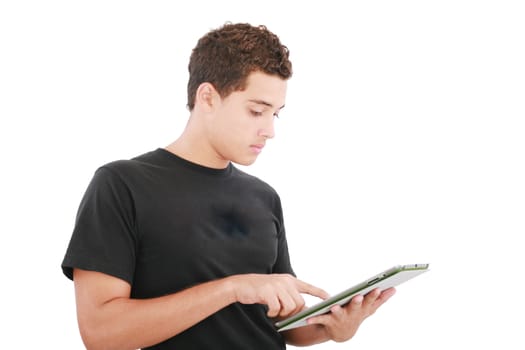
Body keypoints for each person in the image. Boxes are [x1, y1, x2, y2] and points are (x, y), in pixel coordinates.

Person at [61, 22, 396, 349]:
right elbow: (101, 333)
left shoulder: (263, 197)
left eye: (275, 114)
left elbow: (283, 325)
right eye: (256, 111)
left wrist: (333, 328)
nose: (269, 130)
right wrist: (232, 289)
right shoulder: (122, 185)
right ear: (207, 97)